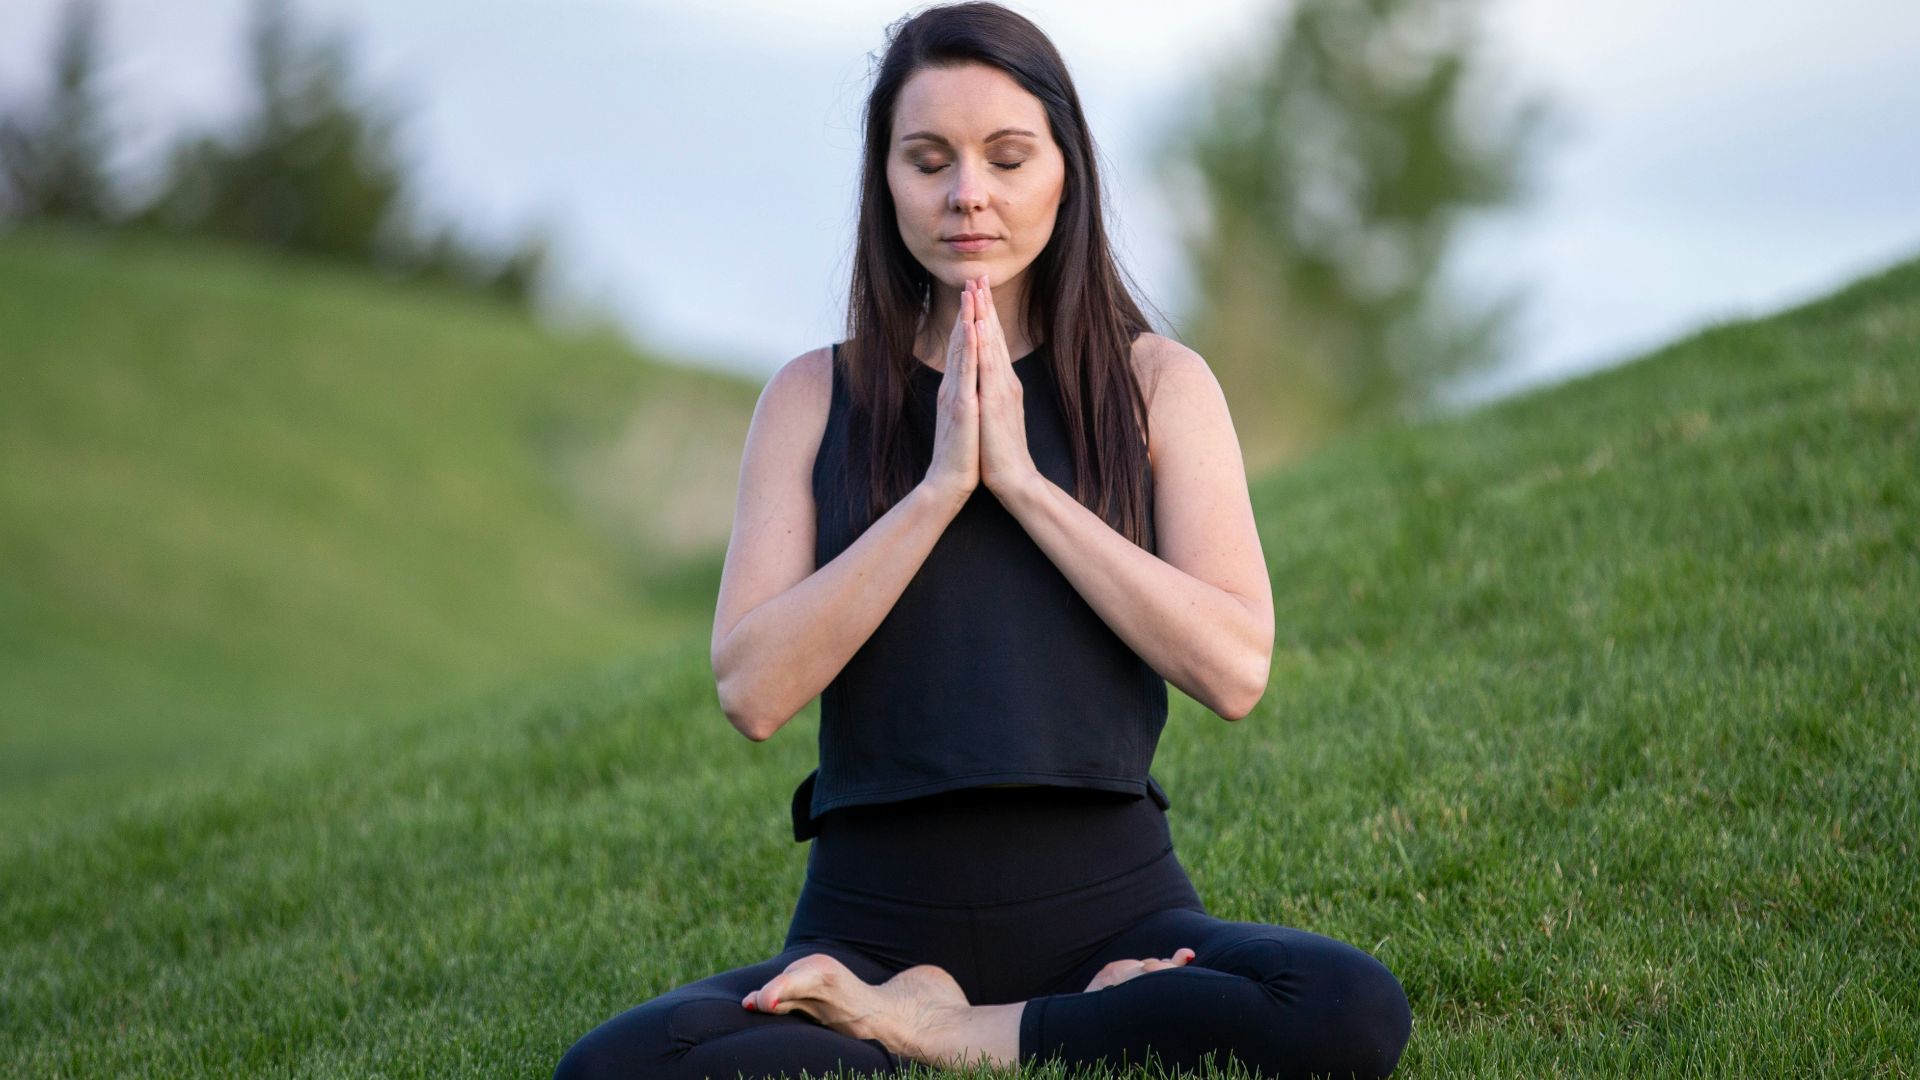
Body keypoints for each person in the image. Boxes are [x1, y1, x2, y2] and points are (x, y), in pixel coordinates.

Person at [553, 3, 1411, 1077]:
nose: (969, 193)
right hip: (868, 929)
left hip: (1116, 915)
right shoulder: (811, 396)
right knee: (613, 1069)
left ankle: (951, 1035)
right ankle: (908, 1018)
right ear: (886, 183)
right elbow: (752, 690)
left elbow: (1235, 667)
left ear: (1066, 171)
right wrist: (939, 488)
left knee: (1343, 1006)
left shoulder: (1158, 386)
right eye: (929, 160)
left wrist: (1022, 482)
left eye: (1008, 156)